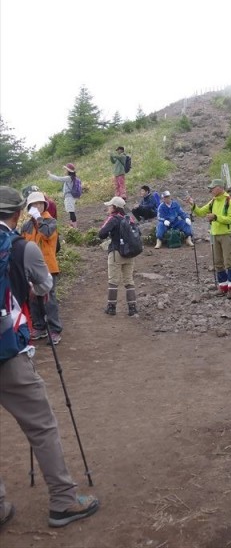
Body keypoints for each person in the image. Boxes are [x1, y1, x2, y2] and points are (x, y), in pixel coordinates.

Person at [0, 186, 99, 529]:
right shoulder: (20, 247)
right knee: (41, 425)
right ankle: (63, 500)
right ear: (17, 214)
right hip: (7, 353)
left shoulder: (36, 230)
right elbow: (43, 288)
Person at [20, 191, 63, 345]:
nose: (37, 206)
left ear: (44, 205)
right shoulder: (27, 226)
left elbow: (46, 234)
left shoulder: (50, 222)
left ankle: (55, 329)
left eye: (39, 204)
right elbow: (21, 244)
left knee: (48, 300)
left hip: (48, 267)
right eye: (33, 204)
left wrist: (39, 218)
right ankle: (39, 327)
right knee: (33, 298)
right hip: (30, 269)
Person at [186, 179, 231, 298]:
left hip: (226, 234)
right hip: (214, 235)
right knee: (218, 262)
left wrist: (215, 217)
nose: (210, 190)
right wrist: (193, 204)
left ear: (220, 188)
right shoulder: (213, 201)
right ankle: (223, 287)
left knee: (228, 261)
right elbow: (200, 212)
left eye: (212, 188)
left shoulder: (230, 201)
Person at [98, 196, 138, 316]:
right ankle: (132, 308)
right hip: (130, 253)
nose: (108, 207)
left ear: (114, 207)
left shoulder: (114, 219)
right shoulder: (129, 219)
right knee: (129, 280)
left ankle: (111, 308)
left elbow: (102, 234)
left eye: (110, 205)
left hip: (116, 252)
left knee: (113, 281)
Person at [47, 164, 79, 228]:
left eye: (65, 169)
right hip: (71, 197)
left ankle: (74, 227)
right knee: (71, 212)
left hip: (69, 197)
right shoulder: (72, 178)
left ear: (68, 170)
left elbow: (58, 179)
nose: (65, 170)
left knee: (71, 212)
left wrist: (50, 175)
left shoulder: (69, 178)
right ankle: (72, 226)